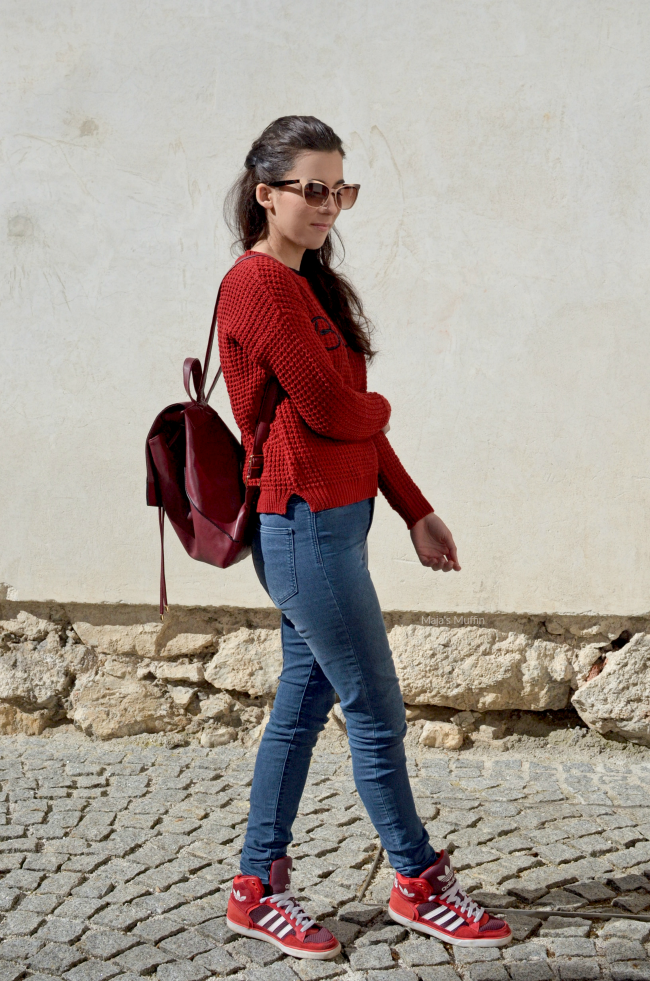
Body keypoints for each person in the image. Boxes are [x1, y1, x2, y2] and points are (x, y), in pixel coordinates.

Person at [217, 115, 512, 960]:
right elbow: (334, 410)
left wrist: (415, 508)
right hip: (301, 527)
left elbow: (352, 426)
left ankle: (254, 885)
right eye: (311, 189)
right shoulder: (257, 285)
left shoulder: (312, 285)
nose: (328, 205)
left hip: (338, 525)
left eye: (339, 189)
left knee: (302, 706)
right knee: (377, 711)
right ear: (265, 193)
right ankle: (417, 878)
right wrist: (375, 407)